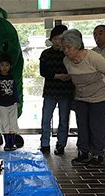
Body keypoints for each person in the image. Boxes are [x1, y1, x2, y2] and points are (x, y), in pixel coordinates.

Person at [61, 29, 105, 167]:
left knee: (96, 126)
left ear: (78, 45)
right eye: (64, 48)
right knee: (82, 126)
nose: (66, 51)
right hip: (81, 96)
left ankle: (98, 154)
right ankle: (83, 152)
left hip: (99, 95)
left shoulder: (92, 57)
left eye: (69, 47)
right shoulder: (66, 61)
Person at [39, 25, 75, 155]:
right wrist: (58, 76)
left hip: (66, 91)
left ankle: (61, 144)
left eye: (60, 39)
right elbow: (43, 72)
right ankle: (44, 144)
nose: (57, 42)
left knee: (64, 119)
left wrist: (68, 76)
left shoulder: (68, 53)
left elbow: (75, 69)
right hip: (50, 91)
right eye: (54, 38)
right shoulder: (45, 54)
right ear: (51, 39)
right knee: (46, 119)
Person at [0, 53, 20, 151]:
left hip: (12, 104)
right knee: (4, 124)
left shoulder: (11, 77)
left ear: (10, 66)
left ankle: (12, 144)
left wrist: (18, 100)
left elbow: (15, 89)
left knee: (13, 123)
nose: (4, 67)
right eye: (2, 65)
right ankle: (7, 144)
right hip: (2, 105)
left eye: (7, 65)